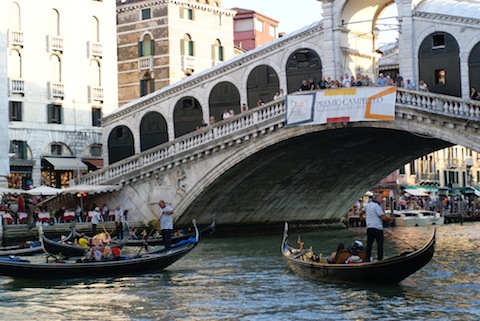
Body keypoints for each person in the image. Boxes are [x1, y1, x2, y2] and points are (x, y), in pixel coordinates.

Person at [365, 194, 393, 262]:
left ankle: (367, 259)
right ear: (376, 198)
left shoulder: (368, 205)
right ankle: (380, 259)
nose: (382, 200)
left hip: (369, 228)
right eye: (381, 198)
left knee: (369, 244)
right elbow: (383, 217)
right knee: (379, 245)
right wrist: (389, 219)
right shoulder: (376, 206)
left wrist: (361, 218)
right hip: (377, 228)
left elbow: (361, 213)